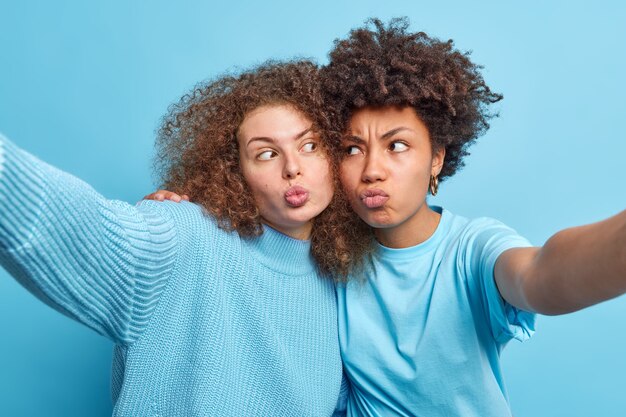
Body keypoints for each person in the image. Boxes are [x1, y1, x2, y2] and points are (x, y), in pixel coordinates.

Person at [0, 60, 364, 416]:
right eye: (266, 153)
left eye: (310, 145)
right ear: (235, 172)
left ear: (335, 153)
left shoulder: (340, 283)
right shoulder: (186, 235)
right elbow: (83, 229)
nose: (292, 167)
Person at [318, 18, 626, 417]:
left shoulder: (472, 248)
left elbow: (539, 273)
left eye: (397, 145)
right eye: (352, 149)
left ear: (437, 158)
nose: (372, 169)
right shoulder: (328, 253)